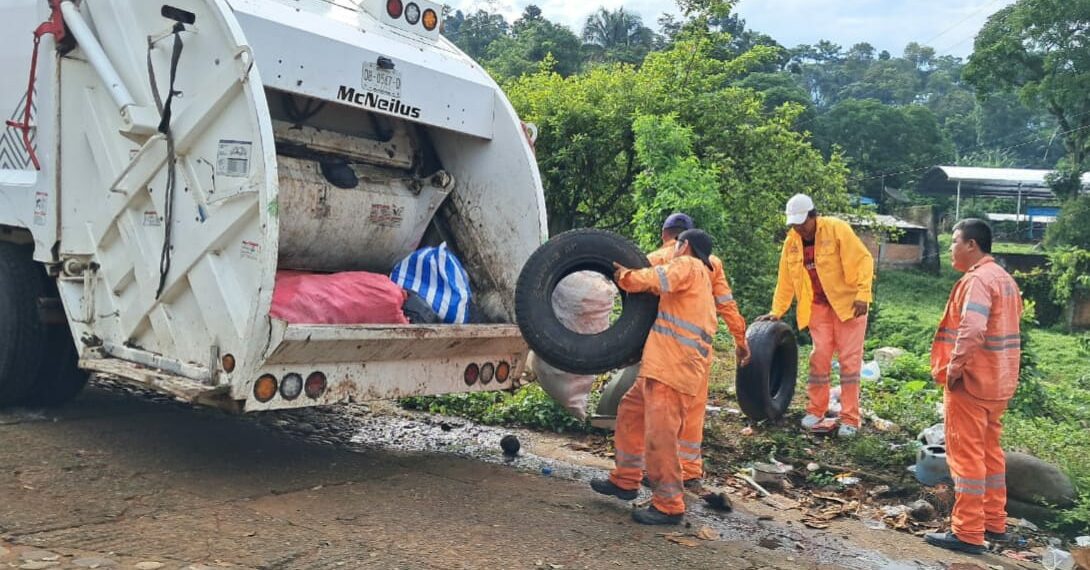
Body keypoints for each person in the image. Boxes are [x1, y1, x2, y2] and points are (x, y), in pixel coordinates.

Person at [590, 229, 718, 525]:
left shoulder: (689, 265)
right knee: (630, 412)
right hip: (662, 368)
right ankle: (625, 480)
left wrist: (626, 277)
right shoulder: (698, 278)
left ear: (685, 246)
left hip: (673, 371)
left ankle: (669, 505)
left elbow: (657, 278)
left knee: (660, 437)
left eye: (676, 245)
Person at [924, 219, 1022, 555]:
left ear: (971, 245)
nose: (950, 247)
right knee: (990, 454)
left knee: (965, 457)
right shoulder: (1004, 279)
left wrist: (954, 369)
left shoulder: (977, 280)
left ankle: (967, 531)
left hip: (972, 382)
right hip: (1000, 383)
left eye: (954, 240)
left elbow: (973, 328)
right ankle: (994, 523)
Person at [756, 194, 874, 438]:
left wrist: (863, 294)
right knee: (819, 359)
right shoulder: (792, 243)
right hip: (818, 307)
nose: (799, 228)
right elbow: (785, 280)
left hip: (848, 306)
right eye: (794, 224)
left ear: (813, 215)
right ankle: (816, 410)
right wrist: (777, 311)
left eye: (803, 223)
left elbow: (863, 260)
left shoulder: (836, 229)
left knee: (849, 364)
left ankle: (850, 418)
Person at [647, 213, 750, 486]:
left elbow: (639, 285)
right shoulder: (712, 263)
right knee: (693, 411)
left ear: (665, 234)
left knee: (660, 415)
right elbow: (727, 305)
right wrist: (741, 341)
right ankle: (690, 470)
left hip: (665, 351)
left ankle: (659, 475)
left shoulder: (658, 257)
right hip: (699, 354)